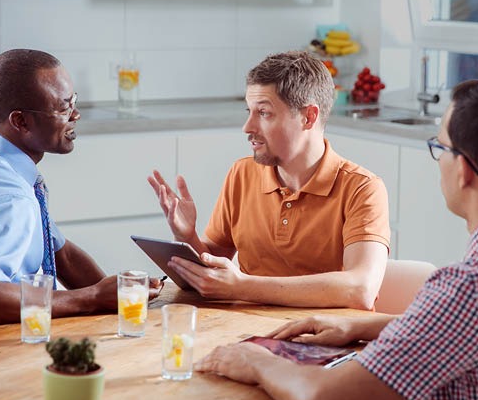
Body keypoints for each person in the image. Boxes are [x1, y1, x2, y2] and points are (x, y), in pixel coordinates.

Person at [195, 78, 478, 400]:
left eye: (440, 147)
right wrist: (366, 325)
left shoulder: (467, 287)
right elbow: (470, 332)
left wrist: (256, 362)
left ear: (464, 171)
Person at [148, 51, 390, 310]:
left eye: (263, 112)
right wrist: (186, 236)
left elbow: (361, 289)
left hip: (325, 342)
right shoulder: (241, 174)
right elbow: (215, 274)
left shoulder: (363, 189)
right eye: (249, 111)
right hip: (248, 330)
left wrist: (243, 287)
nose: (247, 127)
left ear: (308, 117)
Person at [0, 49, 161, 325]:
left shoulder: (2, 166)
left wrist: (117, 294)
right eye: (63, 107)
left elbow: (60, 253)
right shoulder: (12, 198)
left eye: (73, 101)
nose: (75, 114)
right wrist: (90, 298)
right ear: (20, 121)